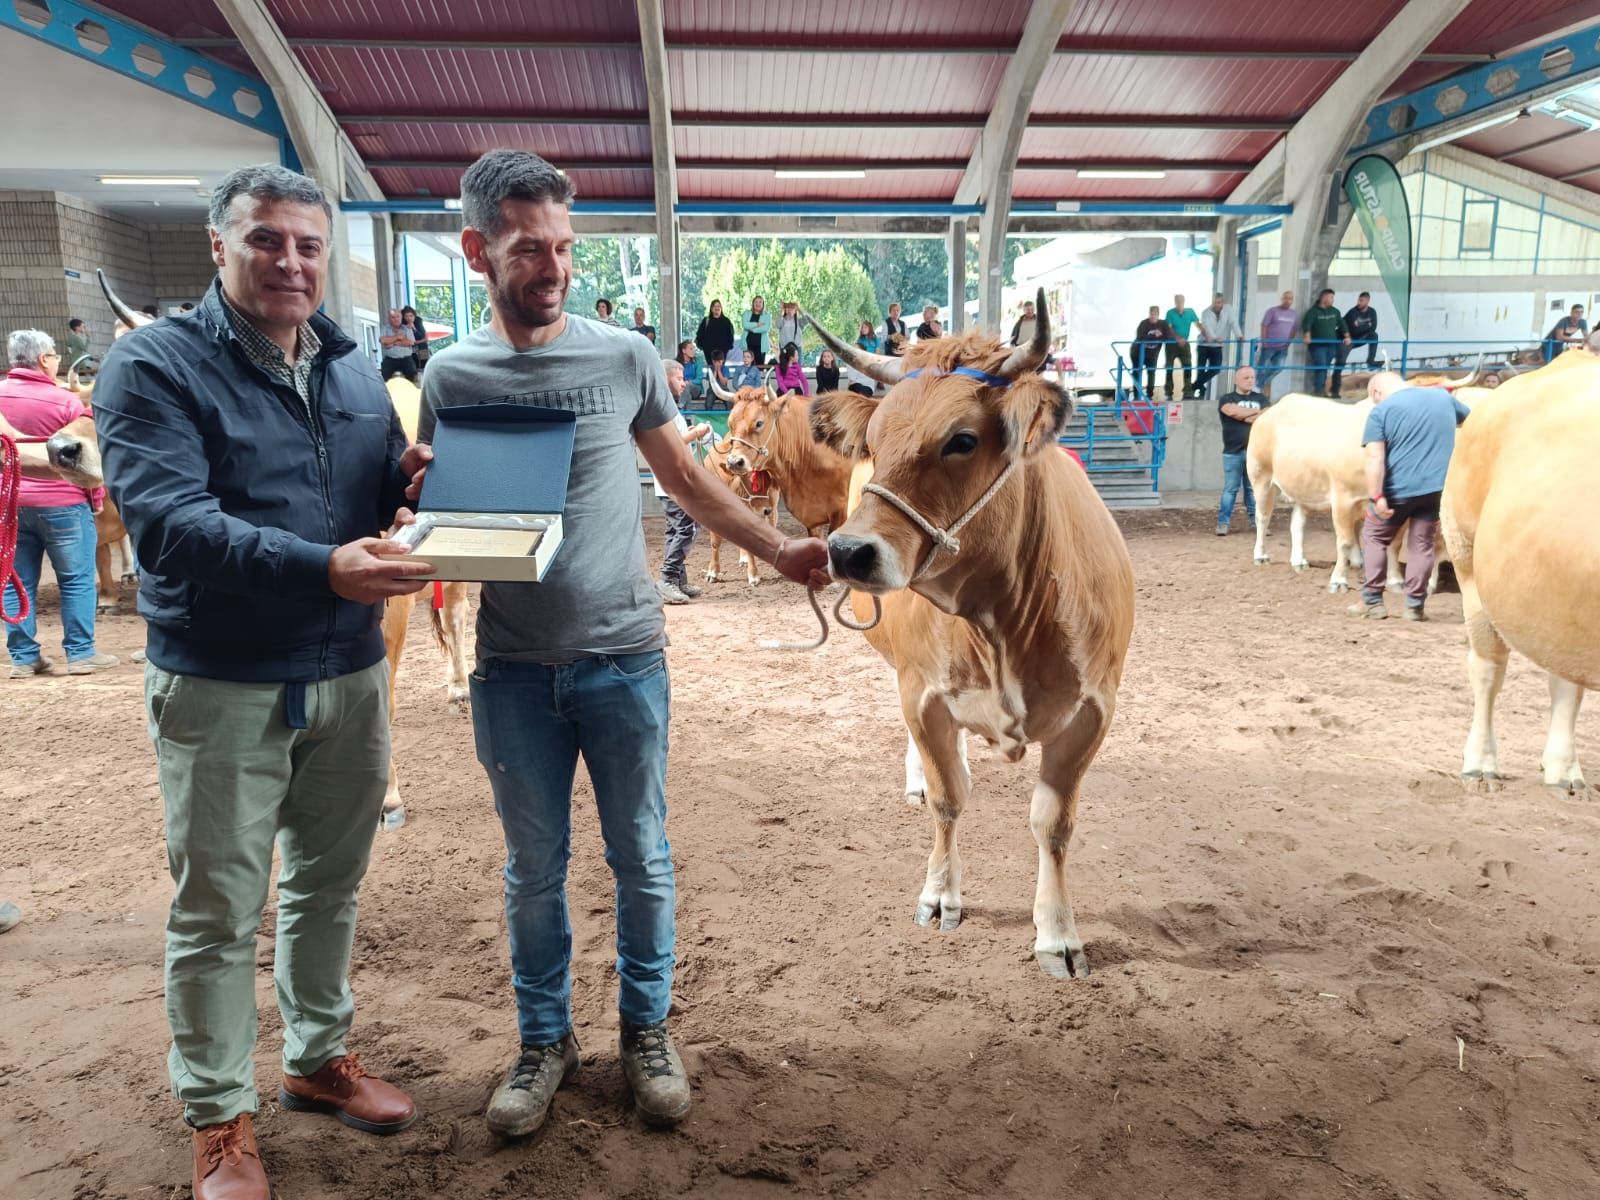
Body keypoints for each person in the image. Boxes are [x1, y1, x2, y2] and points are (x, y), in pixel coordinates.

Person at [419, 148, 829, 1141]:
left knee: (641, 858)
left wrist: (777, 549)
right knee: (533, 870)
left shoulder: (623, 358)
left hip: (624, 659)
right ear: (479, 250)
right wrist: (420, 502)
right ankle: (543, 1039)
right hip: (512, 668)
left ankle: (646, 1029)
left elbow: (686, 483)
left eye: (563, 246)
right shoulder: (449, 372)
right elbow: (450, 509)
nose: (552, 266)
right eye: (528, 247)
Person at [92, 163, 433, 1200]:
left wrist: (406, 481)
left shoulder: (346, 364)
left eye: (308, 244)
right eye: (266, 240)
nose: (290, 260)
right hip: (225, 680)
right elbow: (172, 523)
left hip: (347, 669)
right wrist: (321, 566)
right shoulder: (152, 368)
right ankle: (218, 1117)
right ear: (218, 245)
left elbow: (355, 494)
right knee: (217, 909)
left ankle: (317, 1058)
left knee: (327, 884)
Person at [1, 329, 114, 678]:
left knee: (14, 580)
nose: (56, 361)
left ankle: (23, 658)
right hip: (64, 505)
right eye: (54, 355)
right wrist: (96, 500)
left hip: (10, 506)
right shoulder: (66, 402)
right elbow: (86, 458)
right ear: (43, 360)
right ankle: (81, 654)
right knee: (77, 579)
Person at [1349, 371, 1470, 622]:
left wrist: (1377, 496)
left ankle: (1372, 602)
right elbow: (1469, 420)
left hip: (1397, 491)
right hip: (1437, 489)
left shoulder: (1381, 412)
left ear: (1376, 393)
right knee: (1422, 545)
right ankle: (1414, 605)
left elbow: (1375, 457)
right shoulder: (1443, 398)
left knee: (1375, 538)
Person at [656, 360, 712, 605]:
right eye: (679, 378)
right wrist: (696, 432)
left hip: (670, 480)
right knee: (686, 528)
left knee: (676, 530)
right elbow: (675, 443)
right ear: (666, 378)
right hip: (672, 481)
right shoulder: (662, 408)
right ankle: (668, 580)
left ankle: (677, 579)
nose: (684, 382)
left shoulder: (668, 407)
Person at [1215, 365, 1267, 537]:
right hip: (1232, 452)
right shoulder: (1226, 398)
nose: (1250, 380)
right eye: (1246, 378)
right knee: (1230, 489)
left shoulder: (1261, 397)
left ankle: (1258, 523)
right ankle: (1223, 523)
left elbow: (1267, 415)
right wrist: (1256, 413)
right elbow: (1232, 412)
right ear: (1236, 380)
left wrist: (1244, 414)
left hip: (1255, 453)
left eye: (1252, 377)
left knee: (1253, 489)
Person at [1300, 288, 1350, 397]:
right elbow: (1307, 324)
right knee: (1321, 366)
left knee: (1325, 367)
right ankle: (1319, 391)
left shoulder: (1335, 311)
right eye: (1331, 297)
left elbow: (1342, 324)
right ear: (1324, 297)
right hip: (1318, 345)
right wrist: (1307, 335)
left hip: (1331, 345)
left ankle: (1321, 389)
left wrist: (1347, 336)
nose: (1333, 300)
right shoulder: (1313, 312)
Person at [1195, 293, 1240, 398]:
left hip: (1216, 346)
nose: (1216, 304)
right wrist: (1215, 337)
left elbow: (1233, 322)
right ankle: (1200, 391)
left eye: (1218, 302)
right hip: (1204, 344)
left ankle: (1194, 386)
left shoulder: (1228, 310)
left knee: (1216, 368)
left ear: (1222, 303)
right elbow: (1207, 327)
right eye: (1214, 302)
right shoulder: (1205, 313)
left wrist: (1239, 335)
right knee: (1200, 369)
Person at [1334, 291, 1379, 395]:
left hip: (1361, 338)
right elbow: (1348, 328)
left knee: (1374, 336)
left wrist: (1362, 329)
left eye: (1362, 300)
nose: (1359, 302)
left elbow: (1373, 328)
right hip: (1348, 339)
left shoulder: (1372, 312)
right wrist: (1362, 328)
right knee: (1341, 362)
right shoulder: (1352, 312)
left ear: (1367, 301)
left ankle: (1371, 361)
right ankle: (1335, 388)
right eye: (1359, 300)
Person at [1256, 291, 1299, 396]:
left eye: (1290, 298)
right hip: (1268, 346)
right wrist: (1264, 341)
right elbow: (1264, 326)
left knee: (1279, 367)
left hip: (1283, 347)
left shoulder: (1294, 314)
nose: (1288, 300)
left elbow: (1293, 329)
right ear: (1282, 299)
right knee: (1262, 368)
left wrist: (1289, 342)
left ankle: (1262, 383)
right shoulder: (1272, 311)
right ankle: (1259, 390)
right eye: (1286, 298)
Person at [1132, 306, 1174, 398]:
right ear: (1149, 314)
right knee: (1137, 372)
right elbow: (1140, 337)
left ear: (1158, 315)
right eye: (1151, 314)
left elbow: (1168, 336)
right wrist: (1156, 336)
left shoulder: (1163, 324)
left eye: (1155, 314)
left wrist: (1157, 337)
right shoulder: (1144, 323)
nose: (1153, 316)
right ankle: (1136, 395)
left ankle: (1149, 395)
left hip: (1152, 354)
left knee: (1151, 372)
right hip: (1138, 352)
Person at [1163, 294, 1198, 400]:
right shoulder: (1170, 313)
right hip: (1171, 344)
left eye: (1180, 301)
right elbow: (1168, 328)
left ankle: (1188, 391)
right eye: (1177, 301)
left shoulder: (1190, 312)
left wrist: (1207, 335)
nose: (1178, 303)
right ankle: (1168, 392)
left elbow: (1198, 324)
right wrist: (1177, 338)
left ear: (1184, 301)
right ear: (1174, 301)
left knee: (1188, 366)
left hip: (1185, 344)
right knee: (1169, 367)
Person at [379, 307, 418, 381]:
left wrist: (393, 343)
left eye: (398, 316)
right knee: (384, 376)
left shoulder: (407, 328)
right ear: (389, 319)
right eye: (393, 317)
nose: (396, 319)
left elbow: (411, 342)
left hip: (406, 359)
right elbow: (383, 340)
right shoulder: (385, 328)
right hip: (390, 359)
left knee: (412, 375)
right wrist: (398, 337)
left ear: (401, 317)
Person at [694, 298, 735, 365]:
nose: (717, 308)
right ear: (711, 308)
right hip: (709, 352)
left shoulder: (726, 321)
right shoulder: (706, 321)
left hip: (723, 351)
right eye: (715, 306)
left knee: (720, 369)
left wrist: (727, 348)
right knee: (711, 370)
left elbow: (730, 335)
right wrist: (704, 347)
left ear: (721, 308)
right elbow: (700, 334)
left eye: (718, 306)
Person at [402, 305, 431, 374]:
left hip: (422, 349)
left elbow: (423, 336)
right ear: (403, 317)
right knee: (412, 368)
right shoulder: (402, 325)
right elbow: (406, 341)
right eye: (406, 316)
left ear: (414, 316)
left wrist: (414, 328)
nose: (409, 318)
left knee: (424, 367)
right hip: (409, 351)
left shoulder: (418, 321)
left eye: (411, 316)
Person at [743, 295, 771, 364]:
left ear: (763, 304)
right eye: (756, 302)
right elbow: (745, 325)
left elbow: (765, 328)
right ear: (753, 303)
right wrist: (757, 324)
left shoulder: (766, 315)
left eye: (760, 302)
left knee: (760, 367)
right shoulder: (747, 313)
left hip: (761, 346)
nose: (758, 304)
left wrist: (753, 330)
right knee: (748, 366)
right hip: (748, 345)